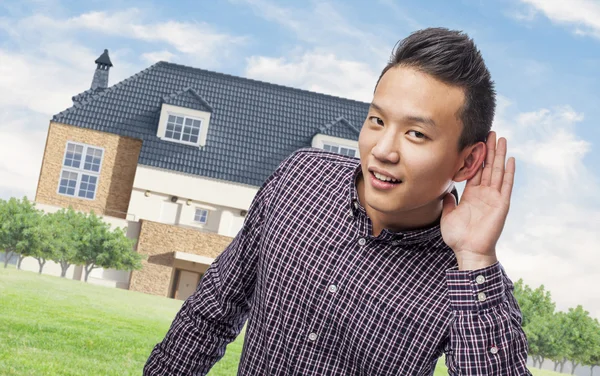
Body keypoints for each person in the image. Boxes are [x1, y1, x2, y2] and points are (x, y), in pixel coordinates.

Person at [144, 27, 531, 375]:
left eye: (415, 134)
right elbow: (211, 313)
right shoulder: (299, 178)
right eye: (377, 121)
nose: (382, 150)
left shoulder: (467, 280)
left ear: (468, 162)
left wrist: (476, 259)